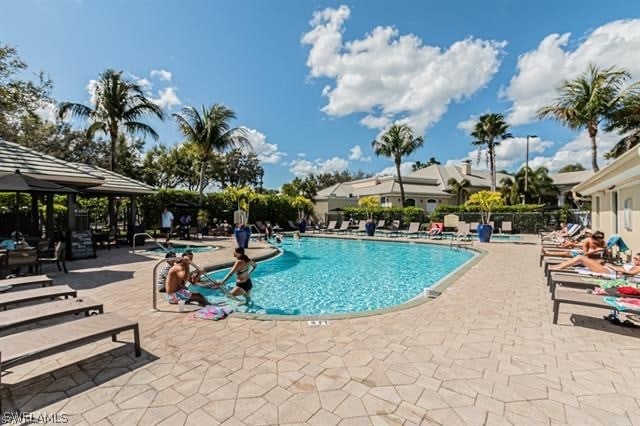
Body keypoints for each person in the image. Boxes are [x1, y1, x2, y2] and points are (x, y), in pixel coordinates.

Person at [550, 252, 640, 277]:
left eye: (636, 259)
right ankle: (560, 265)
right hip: (610, 269)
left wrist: (612, 266)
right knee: (582, 259)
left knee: (580, 257)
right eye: (634, 257)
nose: (634, 259)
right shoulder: (634, 264)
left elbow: (630, 273)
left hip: (611, 272)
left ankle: (559, 267)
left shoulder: (638, 268)